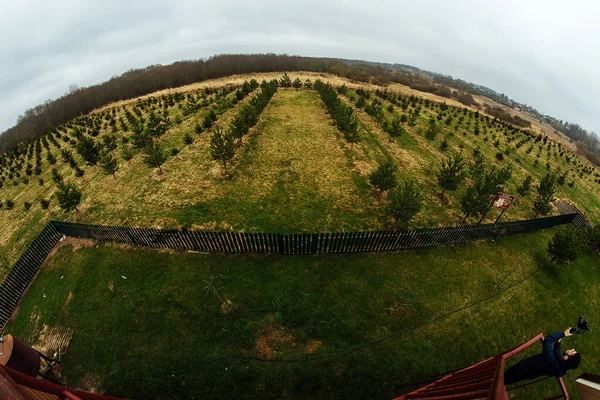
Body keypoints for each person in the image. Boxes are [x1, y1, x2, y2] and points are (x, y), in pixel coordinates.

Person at [504, 328, 581, 385]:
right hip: (530, 373)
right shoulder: (561, 370)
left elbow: (548, 340)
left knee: (504, 376)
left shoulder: (550, 360)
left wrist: (563, 334)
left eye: (572, 352)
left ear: (566, 357)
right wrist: (557, 344)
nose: (572, 349)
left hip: (524, 367)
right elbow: (558, 358)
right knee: (509, 379)